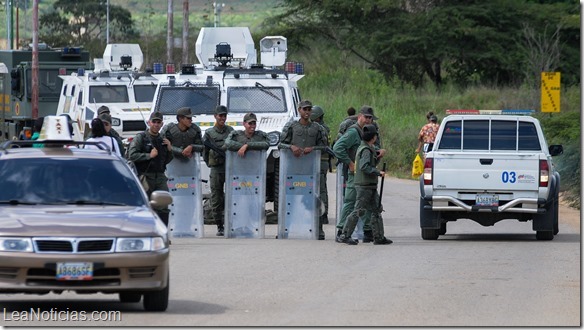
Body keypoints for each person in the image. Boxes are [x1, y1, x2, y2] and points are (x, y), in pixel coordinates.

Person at [333, 105, 386, 243]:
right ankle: (342, 231)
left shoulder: (371, 132)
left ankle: (369, 231)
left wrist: (378, 151)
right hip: (355, 175)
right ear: (359, 117)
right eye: (366, 117)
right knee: (351, 202)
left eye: (371, 118)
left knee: (370, 203)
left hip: (368, 174)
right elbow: (337, 148)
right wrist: (350, 163)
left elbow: (375, 147)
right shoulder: (353, 132)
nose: (369, 120)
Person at [279, 100, 328, 239]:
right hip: (293, 171)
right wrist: (291, 147)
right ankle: (285, 230)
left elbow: (325, 147)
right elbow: (280, 144)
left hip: (311, 171)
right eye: (304, 109)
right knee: (289, 201)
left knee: (315, 200)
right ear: (299, 110)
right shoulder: (291, 126)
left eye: (309, 109)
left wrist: (313, 149)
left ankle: (318, 230)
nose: (307, 112)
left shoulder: (318, 128)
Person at [128, 111, 173, 226]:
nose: (156, 125)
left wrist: (169, 149)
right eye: (154, 122)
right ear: (149, 122)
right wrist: (149, 156)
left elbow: (166, 160)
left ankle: (163, 234)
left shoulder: (163, 140)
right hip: (146, 176)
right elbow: (131, 155)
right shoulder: (141, 138)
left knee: (163, 205)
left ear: (162, 124)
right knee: (146, 206)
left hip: (160, 176)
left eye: (158, 122)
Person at [203, 105, 234, 236]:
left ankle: (231, 222)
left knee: (233, 195)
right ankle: (219, 226)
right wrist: (210, 163)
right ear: (215, 116)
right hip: (216, 168)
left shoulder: (230, 130)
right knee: (216, 197)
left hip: (229, 167)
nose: (222, 118)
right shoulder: (209, 133)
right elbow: (205, 153)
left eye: (224, 115)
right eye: (220, 115)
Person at [310, 105, 333, 228]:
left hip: (320, 161)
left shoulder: (320, 129)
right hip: (321, 161)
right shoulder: (325, 128)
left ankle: (323, 214)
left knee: (321, 189)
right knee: (321, 188)